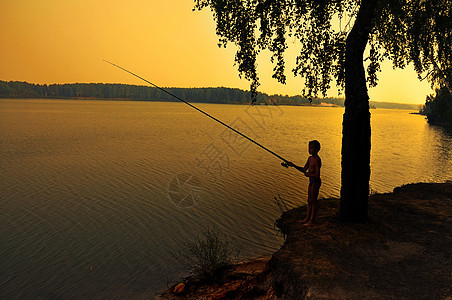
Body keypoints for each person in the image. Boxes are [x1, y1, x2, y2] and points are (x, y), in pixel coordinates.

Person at [284, 140, 322, 226]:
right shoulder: (309, 159)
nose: (310, 150)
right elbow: (304, 169)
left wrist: (308, 174)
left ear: (317, 149)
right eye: (309, 148)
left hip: (315, 182)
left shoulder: (317, 160)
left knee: (313, 201)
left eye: (312, 148)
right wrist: (292, 165)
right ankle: (306, 218)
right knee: (309, 200)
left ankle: (311, 221)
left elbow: (317, 175)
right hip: (311, 181)